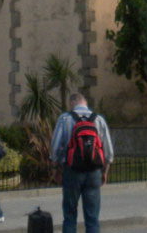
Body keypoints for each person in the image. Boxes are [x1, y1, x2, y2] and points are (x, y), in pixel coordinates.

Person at [50, 93, 114, 233]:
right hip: (93, 171)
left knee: (70, 215)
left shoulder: (65, 118)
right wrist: (105, 171)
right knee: (92, 217)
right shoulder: (98, 119)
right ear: (85, 103)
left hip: (72, 170)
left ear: (72, 102)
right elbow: (108, 151)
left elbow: (55, 147)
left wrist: (55, 168)